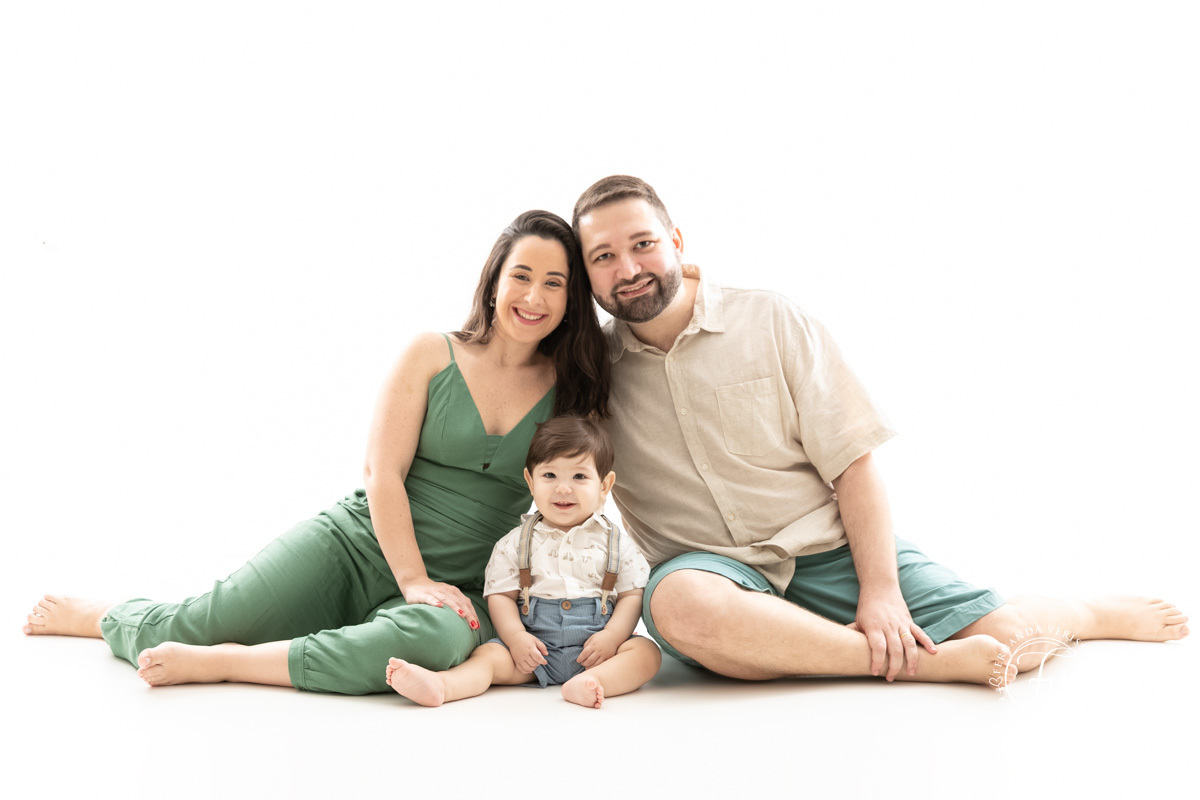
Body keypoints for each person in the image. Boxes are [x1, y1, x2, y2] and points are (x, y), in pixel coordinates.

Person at [571, 175, 1190, 686]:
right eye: (603, 257)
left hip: (830, 551)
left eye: (643, 244)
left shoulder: (769, 321)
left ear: (676, 240)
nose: (628, 268)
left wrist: (882, 592)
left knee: (1009, 643)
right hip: (714, 580)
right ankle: (921, 665)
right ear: (587, 275)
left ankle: (1084, 613)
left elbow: (853, 463)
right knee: (679, 604)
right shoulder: (588, 375)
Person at [22, 209, 613, 695]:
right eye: (521, 276)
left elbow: (583, 494)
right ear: (494, 281)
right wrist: (410, 577)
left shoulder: (572, 392)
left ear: (571, 299)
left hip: (461, 581)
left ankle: (231, 663)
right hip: (357, 542)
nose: (533, 296)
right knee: (198, 623)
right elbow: (382, 471)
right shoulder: (431, 354)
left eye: (554, 283)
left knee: (433, 645)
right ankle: (106, 616)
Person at [385, 414, 660, 709]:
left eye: (579, 477)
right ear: (530, 481)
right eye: (550, 475)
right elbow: (501, 596)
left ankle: (592, 682)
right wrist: (516, 639)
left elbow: (632, 595)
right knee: (488, 657)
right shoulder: (515, 543)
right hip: (532, 653)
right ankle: (443, 685)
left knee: (646, 652)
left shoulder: (617, 543)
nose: (563, 488)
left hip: (598, 652)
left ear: (604, 485)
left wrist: (612, 637)